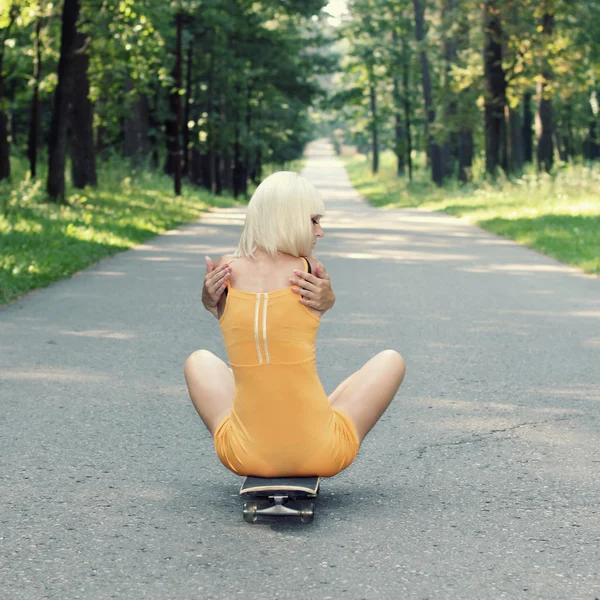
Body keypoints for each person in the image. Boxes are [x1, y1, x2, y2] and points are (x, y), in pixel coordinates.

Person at [184, 171, 406, 477]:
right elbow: (293, 316)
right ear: (288, 219)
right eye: (314, 220)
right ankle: (306, 419)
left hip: (243, 454)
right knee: (391, 360)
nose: (320, 232)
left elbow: (245, 325)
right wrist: (328, 301)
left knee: (199, 360)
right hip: (322, 452)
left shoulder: (226, 269)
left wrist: (210, 302)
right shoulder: (309, 270)